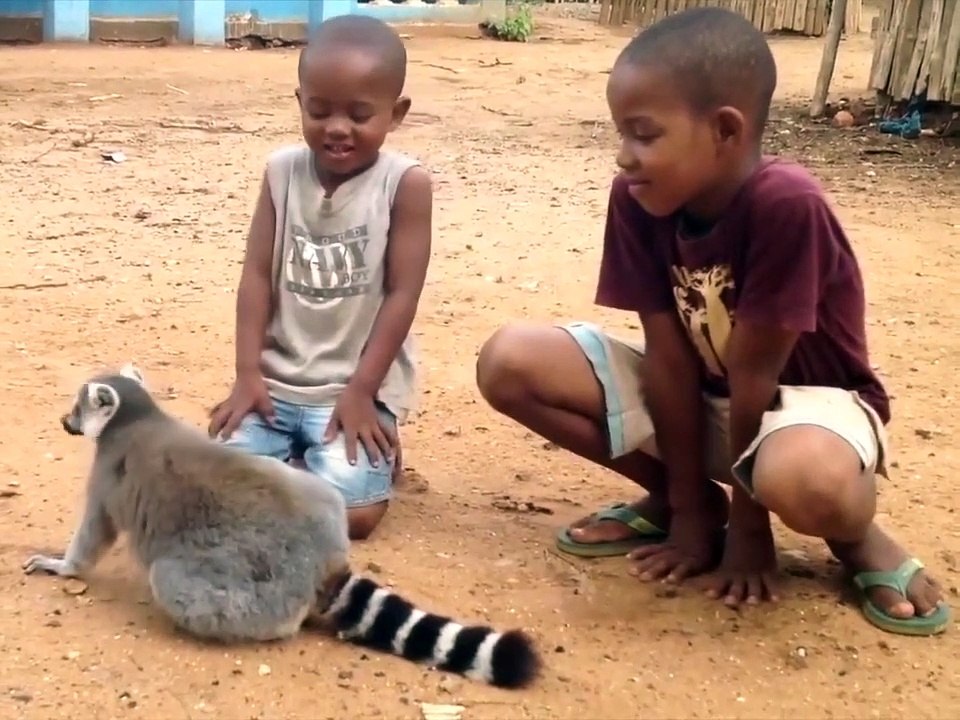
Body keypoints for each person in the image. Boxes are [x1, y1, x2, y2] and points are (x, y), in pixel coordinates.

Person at [475, 7, 950, 636]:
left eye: (643, 135)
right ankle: (689, 501)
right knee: (510, 361)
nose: (623, 157)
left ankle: (854, 536)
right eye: (621, 134)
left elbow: (755, 374)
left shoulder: (787, 204)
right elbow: (668, 357)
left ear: (725, 129)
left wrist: (751, 533)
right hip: (702, 399)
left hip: (800, 412)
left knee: (808, 481)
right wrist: (691, 516)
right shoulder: (638, 200)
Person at [207, 15, 432, 541]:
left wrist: (363, 392)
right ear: (300, 102)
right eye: (319, 110)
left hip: (353, 391)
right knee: (211, 485)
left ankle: (307, 470)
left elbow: (403, 295)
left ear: (396, 113)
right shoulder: (281, 173)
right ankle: (301, 469)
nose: (336, 127)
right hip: (274, 387)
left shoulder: (404, 185)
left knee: (356, 516)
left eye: (359, 114)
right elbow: (256, 276)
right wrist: (247, 374)